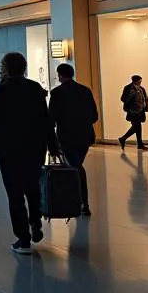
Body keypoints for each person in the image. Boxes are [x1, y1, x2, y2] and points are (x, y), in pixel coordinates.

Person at [0, 52, 59, 255]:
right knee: (33, 187)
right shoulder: (35, 88)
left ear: (5, 68)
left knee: (14, 193)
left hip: (9, 148)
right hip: (35, 146)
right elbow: (46, 120)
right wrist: (53, 145)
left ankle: (23, 239)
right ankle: (35, 221)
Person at [48, 63, 98, 216]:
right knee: (77, 164)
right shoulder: (85, 91)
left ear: (60, 75)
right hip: (85, 136)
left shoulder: (57, 93)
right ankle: (81, 201)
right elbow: (94, 116)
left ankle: (83, 202)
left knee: (75, 166)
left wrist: (52, 142)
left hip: (67, 137)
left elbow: (52, 119)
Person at [119, 74, 148, 150]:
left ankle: (139, 144)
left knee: (138, 127)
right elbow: (123, 99)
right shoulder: (128, 88)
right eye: (139, 81)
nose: (140, 83)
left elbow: (143, 98)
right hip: (133, 111)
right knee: (136, 127)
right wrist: (129, 106)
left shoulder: (141, 89)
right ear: (135, 81)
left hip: (140, 111)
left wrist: (145, 103)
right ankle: (123, 138)